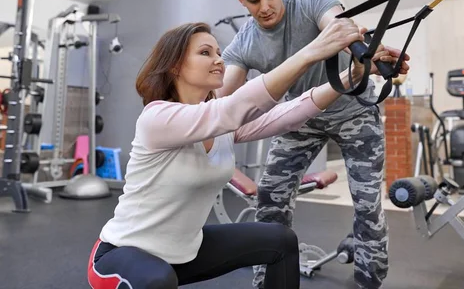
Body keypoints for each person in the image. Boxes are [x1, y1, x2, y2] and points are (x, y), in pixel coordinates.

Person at [86, 20, 382, 289]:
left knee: (280, 241)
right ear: (175, 66)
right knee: (156, 281)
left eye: (218, 52)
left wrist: (352, 75)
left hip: (186, 252)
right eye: (205, 53)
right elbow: (234, 108)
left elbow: (289, 114)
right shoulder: (157, 119)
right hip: (122, 255)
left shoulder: (223, 125)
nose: (218, 59)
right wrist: (311, 52)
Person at [220, 0, 410, 289]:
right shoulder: (244, 44)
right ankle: (268, 280)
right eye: (253, 0)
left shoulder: (311, 0)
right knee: (270, 196)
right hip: (302, 119)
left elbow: (339, 28)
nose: (265, 6)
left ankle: (369, 281)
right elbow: (222, 102)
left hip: (354, 113)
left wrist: (367, 54)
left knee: (367, 205)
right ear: (240, 0)